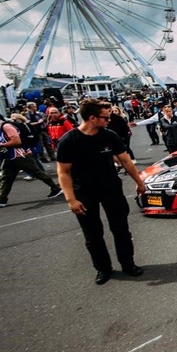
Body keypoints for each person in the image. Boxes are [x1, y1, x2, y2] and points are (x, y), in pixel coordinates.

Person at [56, 99, 146, 285]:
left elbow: (126, 161)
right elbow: (63, 173)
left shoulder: (109, 136)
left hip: (111, 189)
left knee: (121, 230)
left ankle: (128, 264)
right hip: (84, 193)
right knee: (93, 234)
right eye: (106, 117)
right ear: (92, 118)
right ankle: (103, 269)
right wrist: (71, 199)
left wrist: (139, 182)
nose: (109, 120)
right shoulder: (69, 141)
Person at [0, 114, 63, 207]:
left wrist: (1, 145)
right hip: (10, 157)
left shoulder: (6, 126)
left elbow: (17, 141)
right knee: (6, 178)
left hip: (20, 155)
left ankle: (55, 188)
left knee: (36, 172)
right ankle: (2, 198)